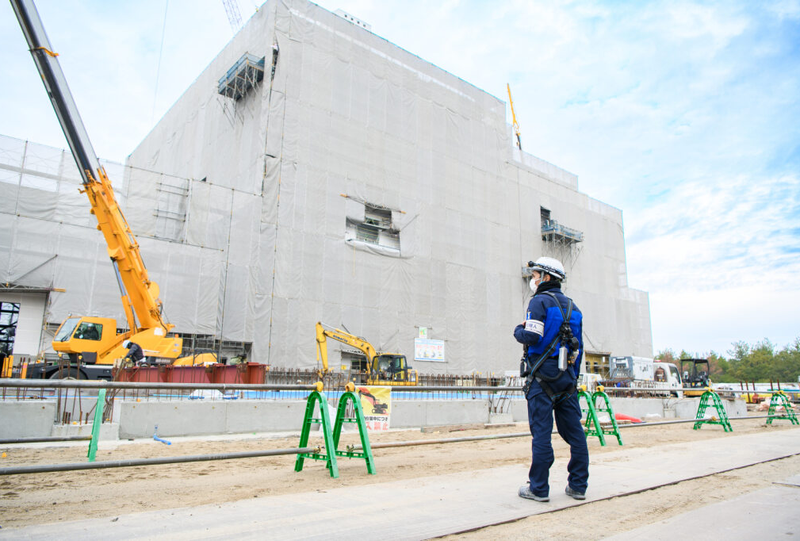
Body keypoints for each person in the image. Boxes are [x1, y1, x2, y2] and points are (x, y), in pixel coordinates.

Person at [514, 256, 588, 502]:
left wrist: (518, 329)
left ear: (546, 277)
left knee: (542, 434)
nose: (533, 280)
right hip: (567, 377)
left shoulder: (538, 302)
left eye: (535, 275)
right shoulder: (573, 307)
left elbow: (532, 336)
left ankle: (539, 488)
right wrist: (573, 379)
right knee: (575, 433)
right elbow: (579, 349)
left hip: (542, 377)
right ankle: (578, 485)